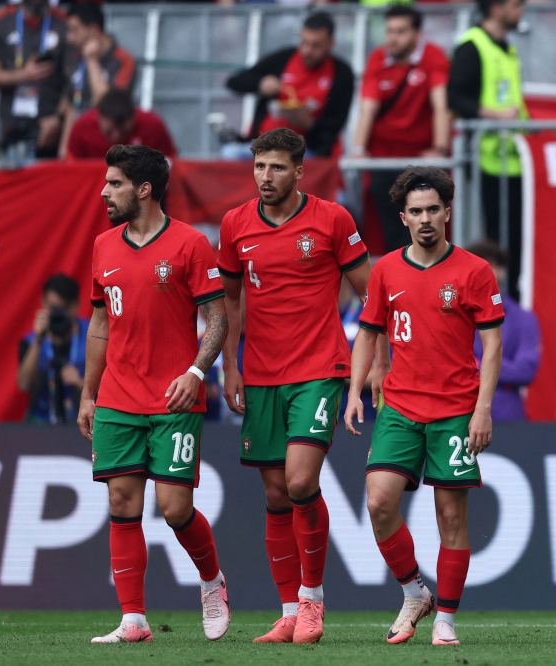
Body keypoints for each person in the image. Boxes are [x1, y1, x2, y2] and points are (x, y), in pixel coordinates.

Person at [218, 128, 372, 644]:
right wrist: (229, 366)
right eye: (259, 167)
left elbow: (372, 296)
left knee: (302, 481)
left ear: (300, 171)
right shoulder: (235, 225)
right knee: (277, 493)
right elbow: (230, 302)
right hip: (260, 374)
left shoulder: (332, 219)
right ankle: (287, 611)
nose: (266, 177)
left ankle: (313, 601)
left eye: (277, 168)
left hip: (319, 369)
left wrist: (379, 365)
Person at [76, 145, 231, 644]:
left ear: (143, 189)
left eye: (114, 183)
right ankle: (134, 620)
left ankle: (212, 582)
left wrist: (195, 371)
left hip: (173, 397)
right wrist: (88, 394)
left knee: (174, 509)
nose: (104, 192)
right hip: (118, 395)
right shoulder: (103, 245)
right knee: (121, 503)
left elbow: (219, 320)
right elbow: (100, 322)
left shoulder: (189, 245)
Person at [344, 167, 504, 647]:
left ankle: (446, 619)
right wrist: (355, 389)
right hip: (400, 407)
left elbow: (492, 346)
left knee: (451, 518)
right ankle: (415, 591)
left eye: (434, 208)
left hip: (456, 409)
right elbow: (369, 334)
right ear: (404, 218)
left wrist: (482, 409)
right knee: (378, 501)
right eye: (416, 211)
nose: (426, 218)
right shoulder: (386, 269)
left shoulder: (474, 271)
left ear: (447, 212)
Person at [351, 4, 451, 253]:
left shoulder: (433, 57)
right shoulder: (377, 58)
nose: (392, 38)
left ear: (417, 34)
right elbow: (368, 108)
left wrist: (439, 148)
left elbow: (442, 105)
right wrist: (359, 149)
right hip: (382, 160)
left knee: (425, 226)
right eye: (389, 31)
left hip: (421, 164)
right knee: (387, 230)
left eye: (400, 32)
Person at [447, 0, 527, 301]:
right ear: (496, 8)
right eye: (516, 5)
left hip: (514, 161)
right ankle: (487, 301)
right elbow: (455, 99)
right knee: (491, 239)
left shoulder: (508, 47)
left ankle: (511, 301)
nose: (522, 11)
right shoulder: (472, 45)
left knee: (515, 240)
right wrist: (496, 116)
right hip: (486, 161)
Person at [225, 12, 354, 158]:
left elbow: (336, 124)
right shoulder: (285, 58)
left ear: (331, 43)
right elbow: (234, 82)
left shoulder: (341, 73)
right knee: (230, 154)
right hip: (263, 145)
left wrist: (310, 124)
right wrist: (260, 83)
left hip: (305, 151)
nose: (307, 51)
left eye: (316, 46)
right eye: (304, 43)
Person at [467, 240, 539, 421]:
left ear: (501, 271)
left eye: (486, 266)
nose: (479, 273)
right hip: (456, 409)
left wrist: (473, 365)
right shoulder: (450, 314)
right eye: (472, 267)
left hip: (504, 413)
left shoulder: (523, 319)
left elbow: (525, 371)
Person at [59, 3, 136, 158]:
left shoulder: (123, 61)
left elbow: (110, 105)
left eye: (74, 30)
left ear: (93, 30)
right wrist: (64, 149)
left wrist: (92, 61)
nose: (69, 37)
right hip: (80, 144)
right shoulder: (74, 57)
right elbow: (72, 105)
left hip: (109, 147)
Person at [0, 0, 67, 159]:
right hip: (11, 122)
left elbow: (74, 81)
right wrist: (24, 75)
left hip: (50, 124)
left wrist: (57, 117)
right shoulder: (1, 20)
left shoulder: (65, 22)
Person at [17, 274, 88, 424]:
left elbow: (113, 385)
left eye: (64, 308)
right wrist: (38, 339)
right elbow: (24, 384)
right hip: (42, 422)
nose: (58, 313)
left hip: (82, 421)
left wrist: (81, 383)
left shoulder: (93, 335)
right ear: (43, 303)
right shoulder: (30, 341)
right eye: (53, 307)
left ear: (76, 305)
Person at [67, 88, 176, 159]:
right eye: (109, 132)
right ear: (99, 117)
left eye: (124, 132)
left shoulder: (152, 125)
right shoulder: (82, 126)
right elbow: (72, 165)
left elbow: (169, 160)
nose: (116, 137)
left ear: (134, 117)